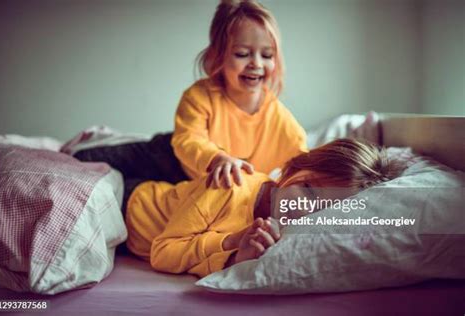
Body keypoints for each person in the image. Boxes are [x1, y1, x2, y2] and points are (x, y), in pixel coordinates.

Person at [125, 139, 404, 277]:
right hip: (131, 204)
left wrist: (236, 258)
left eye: (320, 210)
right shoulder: (228, 188)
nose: (302, 209)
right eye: (307, 190)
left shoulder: (283, 237)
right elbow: (162, 253)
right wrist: (232, 240)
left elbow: (200, 261)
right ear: (292, 170)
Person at [171, 0, 308, 189]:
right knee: (127, 160)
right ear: (217, 57)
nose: (257, 64)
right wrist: (217, 159)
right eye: (242, 54)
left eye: (267, 55)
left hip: (219, 191)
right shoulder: (199, 96)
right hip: (176, 164)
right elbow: (188, 140)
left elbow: (301, 157)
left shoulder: (278, 117)